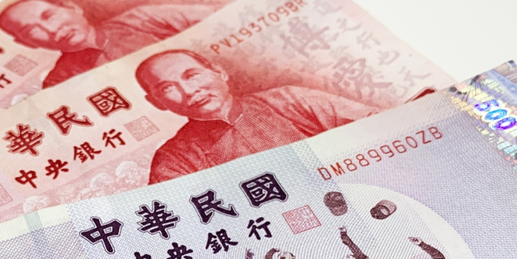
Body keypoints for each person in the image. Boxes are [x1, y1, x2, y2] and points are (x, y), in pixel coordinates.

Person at [134, 49, 377, 184]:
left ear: (219, 72)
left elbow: (374, 127)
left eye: (192, 75)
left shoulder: (290, 99)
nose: (188, 91)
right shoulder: (175, 158)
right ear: (156, 102)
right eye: (167, 88)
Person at [0, 0, 214, 88]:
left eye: (49, 16)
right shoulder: (60, 82)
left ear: (73, 7)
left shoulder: (143, 19)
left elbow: (219, 19)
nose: (52, 30)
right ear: (27, 43)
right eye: (32, 30)